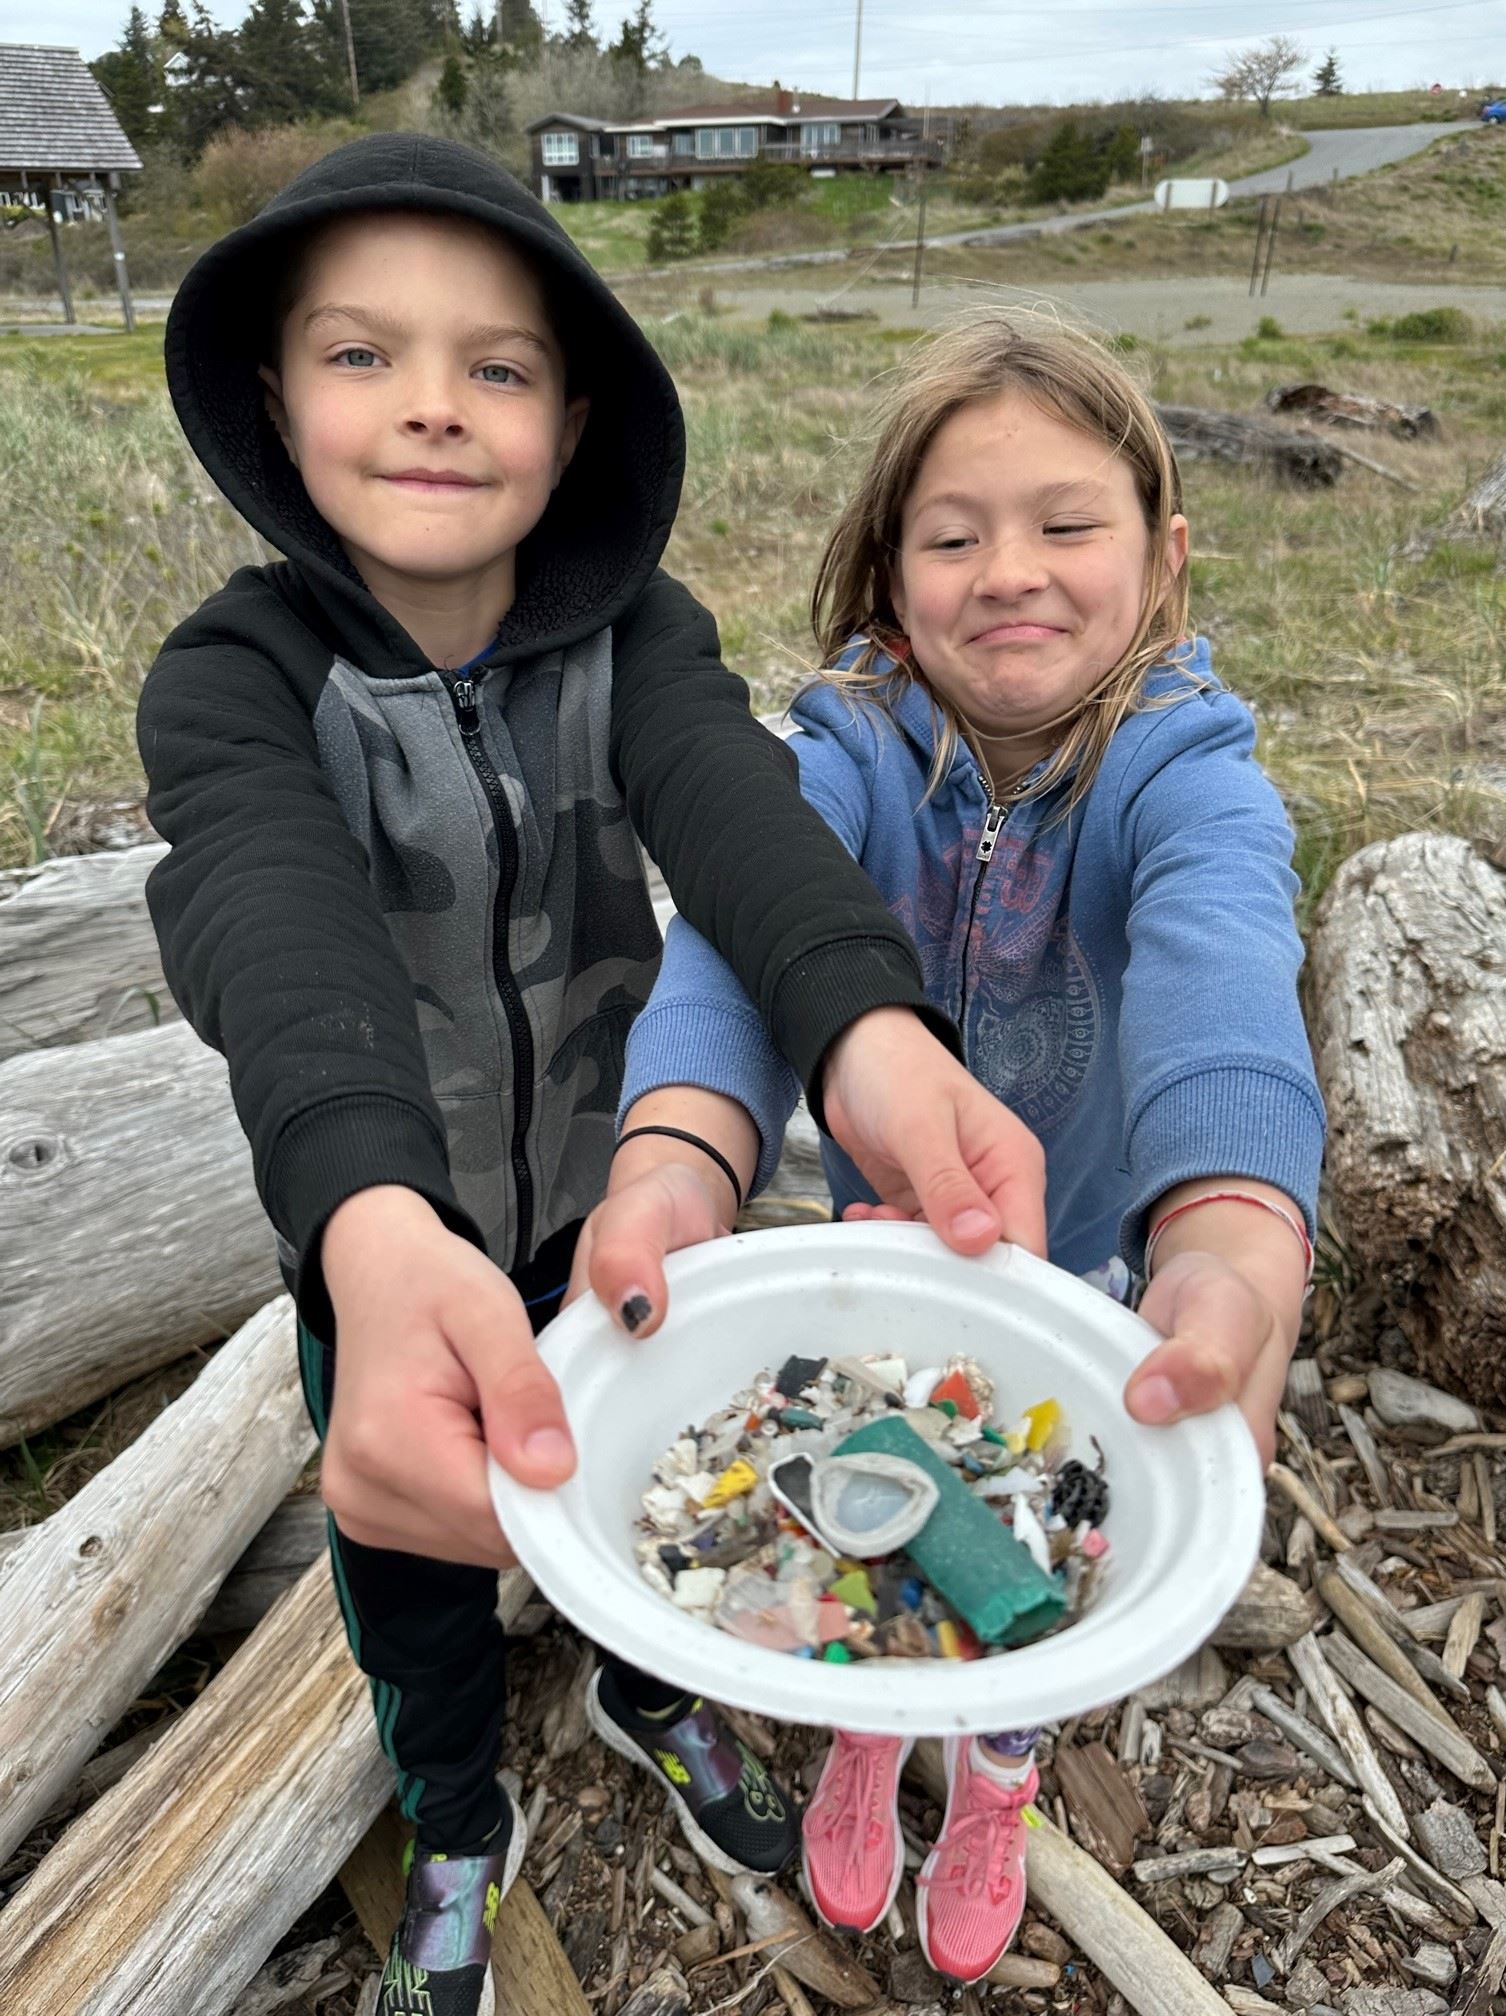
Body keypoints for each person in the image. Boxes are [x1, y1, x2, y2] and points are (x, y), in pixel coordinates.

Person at [136, 141, 1048, 2016]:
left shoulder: (633, 643)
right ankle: (458, 1825)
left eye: (499, 366)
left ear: (571, 423)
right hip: (385, 1241)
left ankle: (650, 1690)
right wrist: (375, 1237)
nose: (431, 408)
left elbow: (741, 817)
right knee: (405, 1581)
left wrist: (867, 1032)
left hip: (617, 1201)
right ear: (270, 400)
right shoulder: (231, 681)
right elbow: (270, 929)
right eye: (361, 354)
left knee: (670, 1491)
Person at [580, 310, 1325, 1985]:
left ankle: (1001, 1751)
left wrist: (1233, 1230)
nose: (1013, 572)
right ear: (887, 566)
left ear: (1164, 553)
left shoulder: (1184, 769)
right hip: (894, 1242)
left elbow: (1224, 979)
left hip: (1100, 1263)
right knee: (893, 1469)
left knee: (1051, 1511)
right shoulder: (842, 753)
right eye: (954, 532)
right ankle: (872, 1705)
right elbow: (730, 952)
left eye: (1070, 526)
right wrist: (675, 1162)